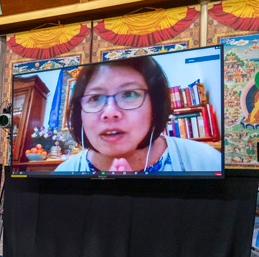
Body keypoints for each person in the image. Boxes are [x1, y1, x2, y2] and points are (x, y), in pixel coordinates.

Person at [55, 55, 221, 173]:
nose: (110, 112)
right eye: (96, 97)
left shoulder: (205, 162)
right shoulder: (64, 174)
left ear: (155, 105)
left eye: (129, 94)